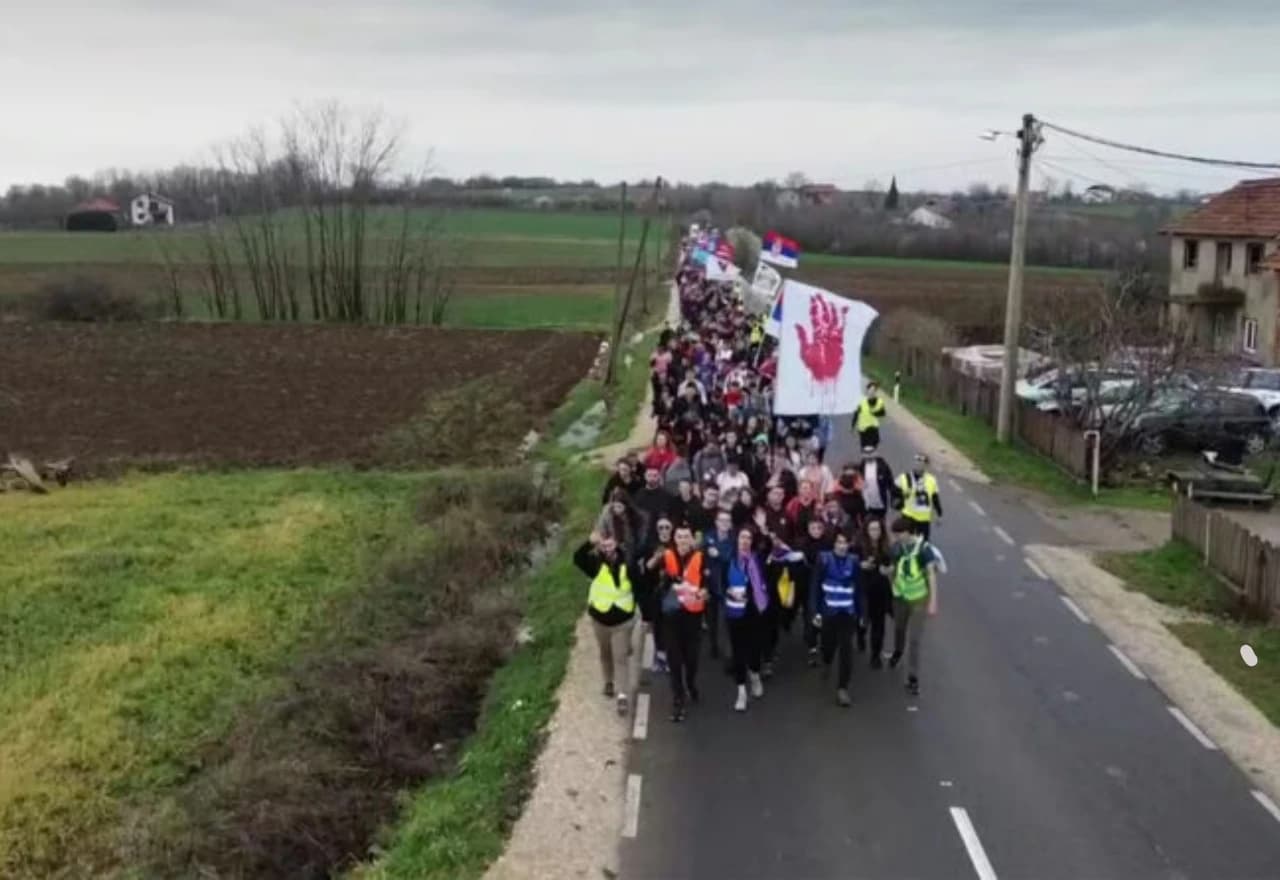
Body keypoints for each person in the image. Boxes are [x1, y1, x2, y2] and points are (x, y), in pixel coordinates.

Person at [573, 533, 639, 716]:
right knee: (605, 653)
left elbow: (639, 585)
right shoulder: (594, 563)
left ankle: (623, 696)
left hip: (622, 621)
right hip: (600, 620)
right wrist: (589, 542)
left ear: (616, 544)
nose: (608, 549)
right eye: (604, 546)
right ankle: (608, 681)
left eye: (610, 545)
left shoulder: (628, 562)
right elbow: (577, 558)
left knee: (621, 657)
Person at [661, 525, 709, 722]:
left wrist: (704, 593)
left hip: (692, 615)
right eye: (679, 537)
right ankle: (678, 699)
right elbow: (657, 583)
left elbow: (708, 583)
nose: (682, 540)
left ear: (692, 539)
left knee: (692, 658)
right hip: (672, 616)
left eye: (686, 537)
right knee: (674, 659)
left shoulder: (700, 557)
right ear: (674, 538)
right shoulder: (666, 556)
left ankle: (690, 682)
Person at [889, 516, 940, 697]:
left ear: (908, 532)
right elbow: (892, 568)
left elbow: (931, 575)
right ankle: (898, 650)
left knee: (915, 639)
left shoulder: (924, 550)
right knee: (899, 628)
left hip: (919, 599)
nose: (895, 538)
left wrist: (933, 601)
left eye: (898, 534)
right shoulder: (896, 548)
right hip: (901, 597)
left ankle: (913, 677)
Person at [809, 531, 861, 706]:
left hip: (847, 612)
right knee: (828, 645)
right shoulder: (823, 560)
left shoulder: (854, 562)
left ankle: (842, 688)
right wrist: (815, 612)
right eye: (839, 542)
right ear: (833, 544)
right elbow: (815, 586)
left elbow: (860, 591)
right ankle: (826, 661)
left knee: (846, 649)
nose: (842, 546)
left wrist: (862, 614)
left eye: (845, 542)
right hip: (828, 611)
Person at [723, 527, 768, 711]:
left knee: (754, 650)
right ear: (737, 539)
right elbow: (720, 581)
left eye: (749, 538)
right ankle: (741, 691)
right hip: (734, 612)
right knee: (738, 652)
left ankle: (755, 675)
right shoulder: (729, 559)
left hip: (753, 611)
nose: (745, 541)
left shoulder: (757, 560)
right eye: (742, 537)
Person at [858, 517, 895, 668]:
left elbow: (892, 564)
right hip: (864, 588)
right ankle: (860, 635)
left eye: (878, 529)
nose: (876, 533)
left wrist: (889, 569)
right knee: (863, 621)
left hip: (880, 589)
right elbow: (853, 563)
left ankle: (875, 655)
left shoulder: (886, 546)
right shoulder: (859, 546)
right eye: (872, 529)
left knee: (879, 624)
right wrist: (862, 565)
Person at [702, 508, 737, 661]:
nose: (724, 523)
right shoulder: (708, 536)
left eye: (727, 521)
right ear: (716, 522)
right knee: (711, 618)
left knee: (725, 619)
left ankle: (728, 655)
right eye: (721, 520)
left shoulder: (734, 540)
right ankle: (713, 646)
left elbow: (731, 558)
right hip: (710, 585)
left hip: (726, 585)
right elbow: (702, 556)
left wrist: (718, 554)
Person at [896, 453, 943, 541]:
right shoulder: (904, 477)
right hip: (908, 516)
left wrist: (939, 514)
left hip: (923, 518)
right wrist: (899, 502)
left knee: (923, 543)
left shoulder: (931, 480)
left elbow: (935, 498)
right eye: (916, 462)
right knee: (907, 541)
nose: (918, 465)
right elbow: (894, 493)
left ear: (926, 466)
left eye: (921, 463)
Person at [633, 466, 673, 543]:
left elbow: (672, 515)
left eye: (655, 476)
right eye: (649, 475)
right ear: (645, 477)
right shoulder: (638, 495)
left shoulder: (666, 496)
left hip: (662, 535)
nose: (652, 478)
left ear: (659, 477)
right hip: (643, 535)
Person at [858, 445, 895, 523]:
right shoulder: (862, 466)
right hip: (867, 502)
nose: (869, 455)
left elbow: (890, 482)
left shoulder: (882, 466)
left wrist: (894, 496)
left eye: (871, 452)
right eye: (866, 453)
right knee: (868, 523)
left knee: (881, 523)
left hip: (880, 502)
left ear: (875, 452)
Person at [854, 381, 887, 450]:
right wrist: (853, 425)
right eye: (870, 390)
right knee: (865, 449)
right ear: (867, 391)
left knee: (874, 448)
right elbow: (856, 413)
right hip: (863, 430)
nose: (872, 392)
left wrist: (875, 413)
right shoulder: (861, 401)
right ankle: (865, 459)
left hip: (874, 428)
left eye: (874, 390)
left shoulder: (879, 401)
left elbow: (883, 413)